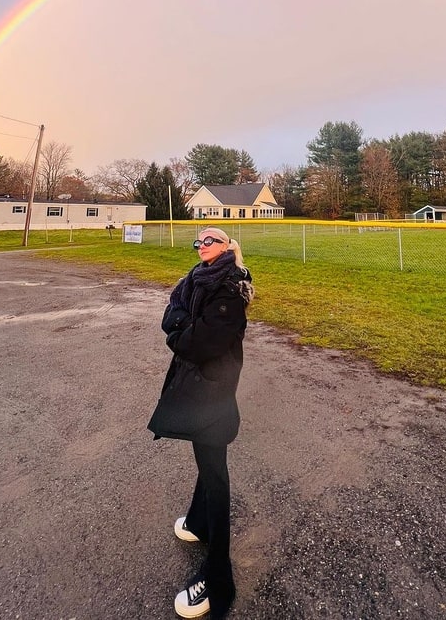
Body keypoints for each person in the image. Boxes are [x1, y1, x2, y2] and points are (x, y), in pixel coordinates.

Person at [148, 227, 254, 619]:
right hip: (199, 387)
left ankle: (216, 581)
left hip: (213, 393)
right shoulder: (194, 280)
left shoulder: (228, 290)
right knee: (207, 461)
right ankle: (197, 522)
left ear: (228, 247)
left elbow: (199, 343)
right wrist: (180, 328)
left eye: (211, 240)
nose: (202, 245)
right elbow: (171, 314)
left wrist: (178, 331)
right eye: (199, 241)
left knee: (215, 477)